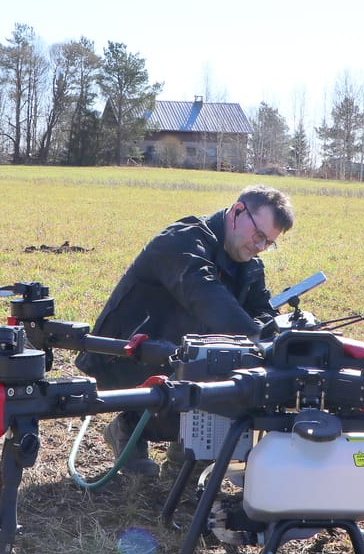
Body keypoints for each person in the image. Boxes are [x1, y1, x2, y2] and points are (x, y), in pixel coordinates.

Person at [75, 184, 295, 475]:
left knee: (238, 370)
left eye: (268, 243)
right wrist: (258, 342)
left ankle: (187, 446)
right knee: (221, 362)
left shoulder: (248, 263)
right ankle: (130, 427)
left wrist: (276, 336)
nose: (260, 248)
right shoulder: (183, 241)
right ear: (237, 212)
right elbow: (207, 299)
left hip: (178, 354)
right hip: (130, 358)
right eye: (258, 236)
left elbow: (261, 310)